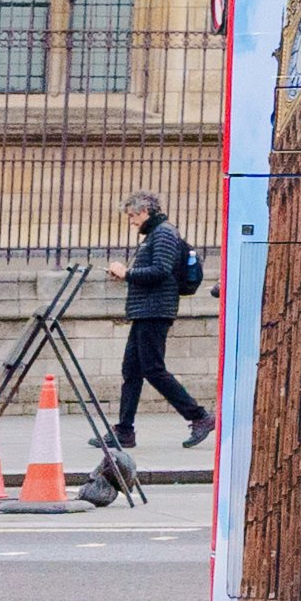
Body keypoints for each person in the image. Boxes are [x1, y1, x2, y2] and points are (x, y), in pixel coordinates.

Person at [111, 191, 210, 453]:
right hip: (145, 310)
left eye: (133, 215)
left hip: (155, 311)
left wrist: (127, 273)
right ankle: (124, 431)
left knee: (153, 369)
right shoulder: (156, 235)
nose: (132, 221)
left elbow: (160, 271)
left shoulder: (165, 233)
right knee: (131, 370)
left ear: (145, 211)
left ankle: (199, 416)